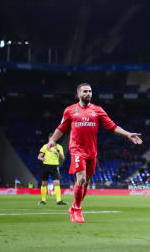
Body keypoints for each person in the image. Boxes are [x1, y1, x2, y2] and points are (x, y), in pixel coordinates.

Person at [47, 83, 143, 223]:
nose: (88, 93)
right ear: (79, 94)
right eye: (85, 91)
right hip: (76, 149)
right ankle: (78, 210)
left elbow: (112, 126)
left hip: (91, 151)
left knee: (86, 182)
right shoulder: (70, 110)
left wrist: (127, 134)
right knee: (81, 178)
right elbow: (61, 128)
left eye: (90, 91)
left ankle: (74, 207)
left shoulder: (97, 110)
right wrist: (52, 141)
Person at [37, 135, 66, 205]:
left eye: (54, 138)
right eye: (51, 138)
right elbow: (39, 156)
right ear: (49, 139)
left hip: (54, 167)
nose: (52, 139)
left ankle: (58, 201)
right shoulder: (45, 146)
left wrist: (58, 150)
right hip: (46, 166)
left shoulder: (59, 147)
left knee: (57, 183)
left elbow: (63, 157)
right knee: (44, 183)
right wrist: (42, 158)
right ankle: (43, 200)